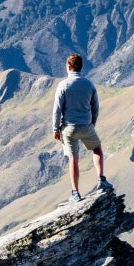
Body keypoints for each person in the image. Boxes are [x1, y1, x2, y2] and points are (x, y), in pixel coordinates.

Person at [52, 52, 112, 201]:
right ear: (80, 67)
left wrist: (55, 129)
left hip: (69, 128)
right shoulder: (89, 84)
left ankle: (75, 193)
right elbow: (95, 108)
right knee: (97, 149)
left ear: (69, 66)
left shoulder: (63, 85)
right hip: (86, 125)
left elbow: (57, 109)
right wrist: (92, 124)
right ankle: (101, 180)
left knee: (73, 159)